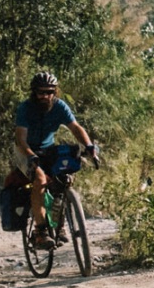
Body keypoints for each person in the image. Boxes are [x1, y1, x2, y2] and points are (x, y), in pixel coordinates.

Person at [11, 71, 96, 246]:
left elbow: (76, 128)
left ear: (55, 92)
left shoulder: (59, 106)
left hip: (47, 149)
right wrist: (31, 156)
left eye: (49, 92)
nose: (45, 96)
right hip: (24, 150)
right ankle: (40, 231)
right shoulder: (25, 109)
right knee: (40, 179)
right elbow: (21, 139)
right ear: (34, 92)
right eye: (41, 92)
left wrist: (89, 147)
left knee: (63, 179)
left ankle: (59, 224)